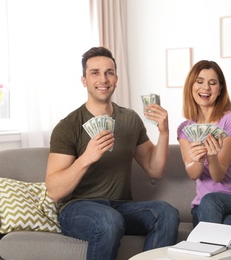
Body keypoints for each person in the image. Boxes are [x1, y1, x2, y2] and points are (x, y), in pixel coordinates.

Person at [45, 46, 179, 260]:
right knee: (109, 220)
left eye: (109, 72)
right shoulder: (69, 126)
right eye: (95, 73)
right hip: (78, 209)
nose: (103, 79)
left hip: (121, 207)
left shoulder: (130, 119)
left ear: (116, 78)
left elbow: (154, 170)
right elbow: (53, 190)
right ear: (84, 80)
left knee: (166, 213)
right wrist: (86, 158)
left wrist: (164, 132)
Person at [176, 60, 231, 242]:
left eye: (213, 83)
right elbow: (193, 173)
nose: (206, 88)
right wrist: (199, 160)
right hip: (203, 208)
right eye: (200, 81)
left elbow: (218, 175)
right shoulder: (185, 129)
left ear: (220, 89)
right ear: (191, 86)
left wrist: (212, 155)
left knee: (211, 200)